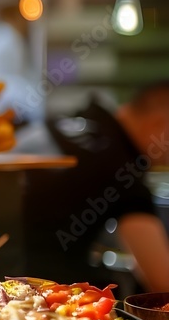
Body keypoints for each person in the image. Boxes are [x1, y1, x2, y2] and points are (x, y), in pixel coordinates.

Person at [21, 82, 169, 293]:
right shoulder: (122, 170)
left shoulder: (72, 124)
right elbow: (162, 280)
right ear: (157, 124)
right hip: (32, 291)